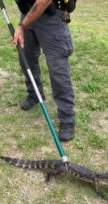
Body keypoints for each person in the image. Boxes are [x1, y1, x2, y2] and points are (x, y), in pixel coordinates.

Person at [12, 0, 75, 141]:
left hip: (50, 16)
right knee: (26, 58)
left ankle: (67, 118)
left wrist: (22, 26)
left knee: (57, 69)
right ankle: (35, 94)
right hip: (28, 13)